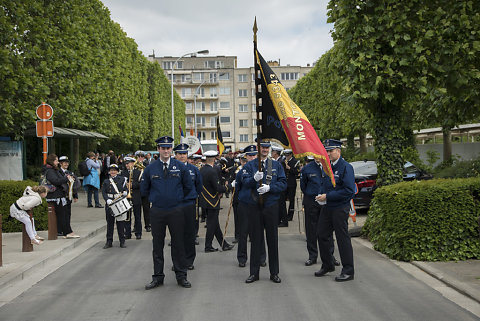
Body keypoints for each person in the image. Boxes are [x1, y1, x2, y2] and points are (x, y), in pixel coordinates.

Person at [141, 136, 195, 289]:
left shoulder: (181, 167)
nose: (166, 151)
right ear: (158, 149)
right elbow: (144, 189)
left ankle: (181, 275)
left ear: (172, 149)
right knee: (157, 245)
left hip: (176, 210)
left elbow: (188, 187)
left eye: (168, 148)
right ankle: (158, 277)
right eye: (163, 148)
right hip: (157, 210)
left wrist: (176, 199)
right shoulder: (150, 168)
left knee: (178, 244)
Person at [241, 140, 287, 284]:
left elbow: (283, 183)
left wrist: (270, 188)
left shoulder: (276, 165)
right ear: (257, 148)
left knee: (272, 239)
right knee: (256, 240)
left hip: (271, 205)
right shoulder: (250, 165)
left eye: (267, 147)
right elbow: (244, 182)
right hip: (255, 206)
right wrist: (254, 179)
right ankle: (254, 273)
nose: (265, 149)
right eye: (263, 147)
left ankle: (274, 273)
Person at [314, 139, 356, 282]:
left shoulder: (346, 167)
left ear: (339, 151)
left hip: (340, 207)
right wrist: (321, 195)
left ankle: (348, 270)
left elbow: (349, 190)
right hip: (328, 206)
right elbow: (324, 184)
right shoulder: (328, 167)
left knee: (342, 238)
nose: (328, 153)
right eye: (327, 151)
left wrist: (328, 196)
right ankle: (328, 264)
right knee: (321, 234)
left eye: (331, 151)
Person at [300, 155, 339, 267]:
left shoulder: (329, 167)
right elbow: (303, 186)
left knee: (328, 229)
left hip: (327, 200)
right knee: (311, 229)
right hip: (312, 201)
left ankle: (330, 256)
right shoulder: (307, 168)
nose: (317, 156)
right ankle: (312, 256)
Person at [235, 146, 267, 268]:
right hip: (245, 204)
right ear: (246, 157)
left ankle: (261, 257)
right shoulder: (243, 170)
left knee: (258, 232)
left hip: (258, 204)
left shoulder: (263, 167)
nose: (252, 157)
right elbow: (240, 185)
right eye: (250, 155)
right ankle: (242, 258)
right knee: (243, 232)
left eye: (254, 155)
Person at [174, 144, 203, 270]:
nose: (182, 156)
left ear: (187, 155)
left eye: (184, 153)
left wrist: (191, 196)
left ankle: (189, 260)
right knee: (176, 234)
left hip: (189, 204)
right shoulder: (170, 169)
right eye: (179, 154)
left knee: (189, 234)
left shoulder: (194, 169)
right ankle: (178, 262)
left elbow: (199, 186)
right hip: (175, 205)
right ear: (175, 155)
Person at [199, 150, 235, 253]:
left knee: (214, 223)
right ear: (214, 159)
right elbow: (218, 188)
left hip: (206, 199)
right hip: (212, 200)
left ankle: (223, 244)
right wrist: (230, 186)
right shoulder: (212, 171)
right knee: (212, 224)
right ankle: (208, 246)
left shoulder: (202, 169)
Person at [43, 154, 70, 238]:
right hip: (55, 196)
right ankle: (65, 232)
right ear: (52, 161)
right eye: (56, 160)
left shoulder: (54, 170)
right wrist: (66, 178)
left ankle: (62, 231)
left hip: (58, 195)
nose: (57, 162)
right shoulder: (50, 171)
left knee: (63, 214)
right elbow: (56, 181)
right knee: (61, 214)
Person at [102, 164, 128, 249]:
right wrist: (107, 199)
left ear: (117, 171)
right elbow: (104, 192)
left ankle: (122, 241)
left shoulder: (122, 179)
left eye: (114, 170)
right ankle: (109, 241)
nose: (113, 172)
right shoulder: (106, 181)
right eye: (111, 170)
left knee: (120, 223)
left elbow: (125, 190)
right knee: (110, 223)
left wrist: (125, 193)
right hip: (110, 203)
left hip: (119, 202)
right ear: (109, 171)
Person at [58, 156, 81, 238]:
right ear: (60, 163)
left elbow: (73, 184)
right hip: (61, 196)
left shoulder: (70, 173)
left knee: (68, 214)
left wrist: (75, 195)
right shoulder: (58, 172)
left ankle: (66, 229)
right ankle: (62, 230)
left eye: (67, 162)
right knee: (62, 214)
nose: (66, 164)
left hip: (69, 196)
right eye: (64, 162)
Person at [121, 156, 143, 240]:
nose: (127, 165)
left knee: (137, 215)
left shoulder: (138, 172)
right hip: (126, 196)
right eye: (126, 163)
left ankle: (138, 233)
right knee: (127, 216)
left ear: (133, 163)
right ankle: (127, 233)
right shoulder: (123, 173)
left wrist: (132, 185)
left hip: (136, 195)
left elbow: (141, 184)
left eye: (128, 163)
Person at [271, 145, 288, 227]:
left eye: (272, 152)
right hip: (277, 186)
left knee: (282, 204)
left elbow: (282, 176)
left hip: (280, 186)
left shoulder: (280, 162)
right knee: (279, 204)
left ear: (275, 153)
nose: (271, 153)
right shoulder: (278, 161)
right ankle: (279, 220)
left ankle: (284, 221)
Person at [284, 149, 300, 221]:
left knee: (291, 200)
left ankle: (290, 216)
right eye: (286, 155)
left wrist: (289, 168)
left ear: (291, 155)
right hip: (285, 183)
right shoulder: (284, 161)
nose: (286, 157)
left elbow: (297, 172)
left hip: (292, 183)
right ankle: (284, 215)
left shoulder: (295, 161)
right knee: (283, 199)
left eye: (288, 155)